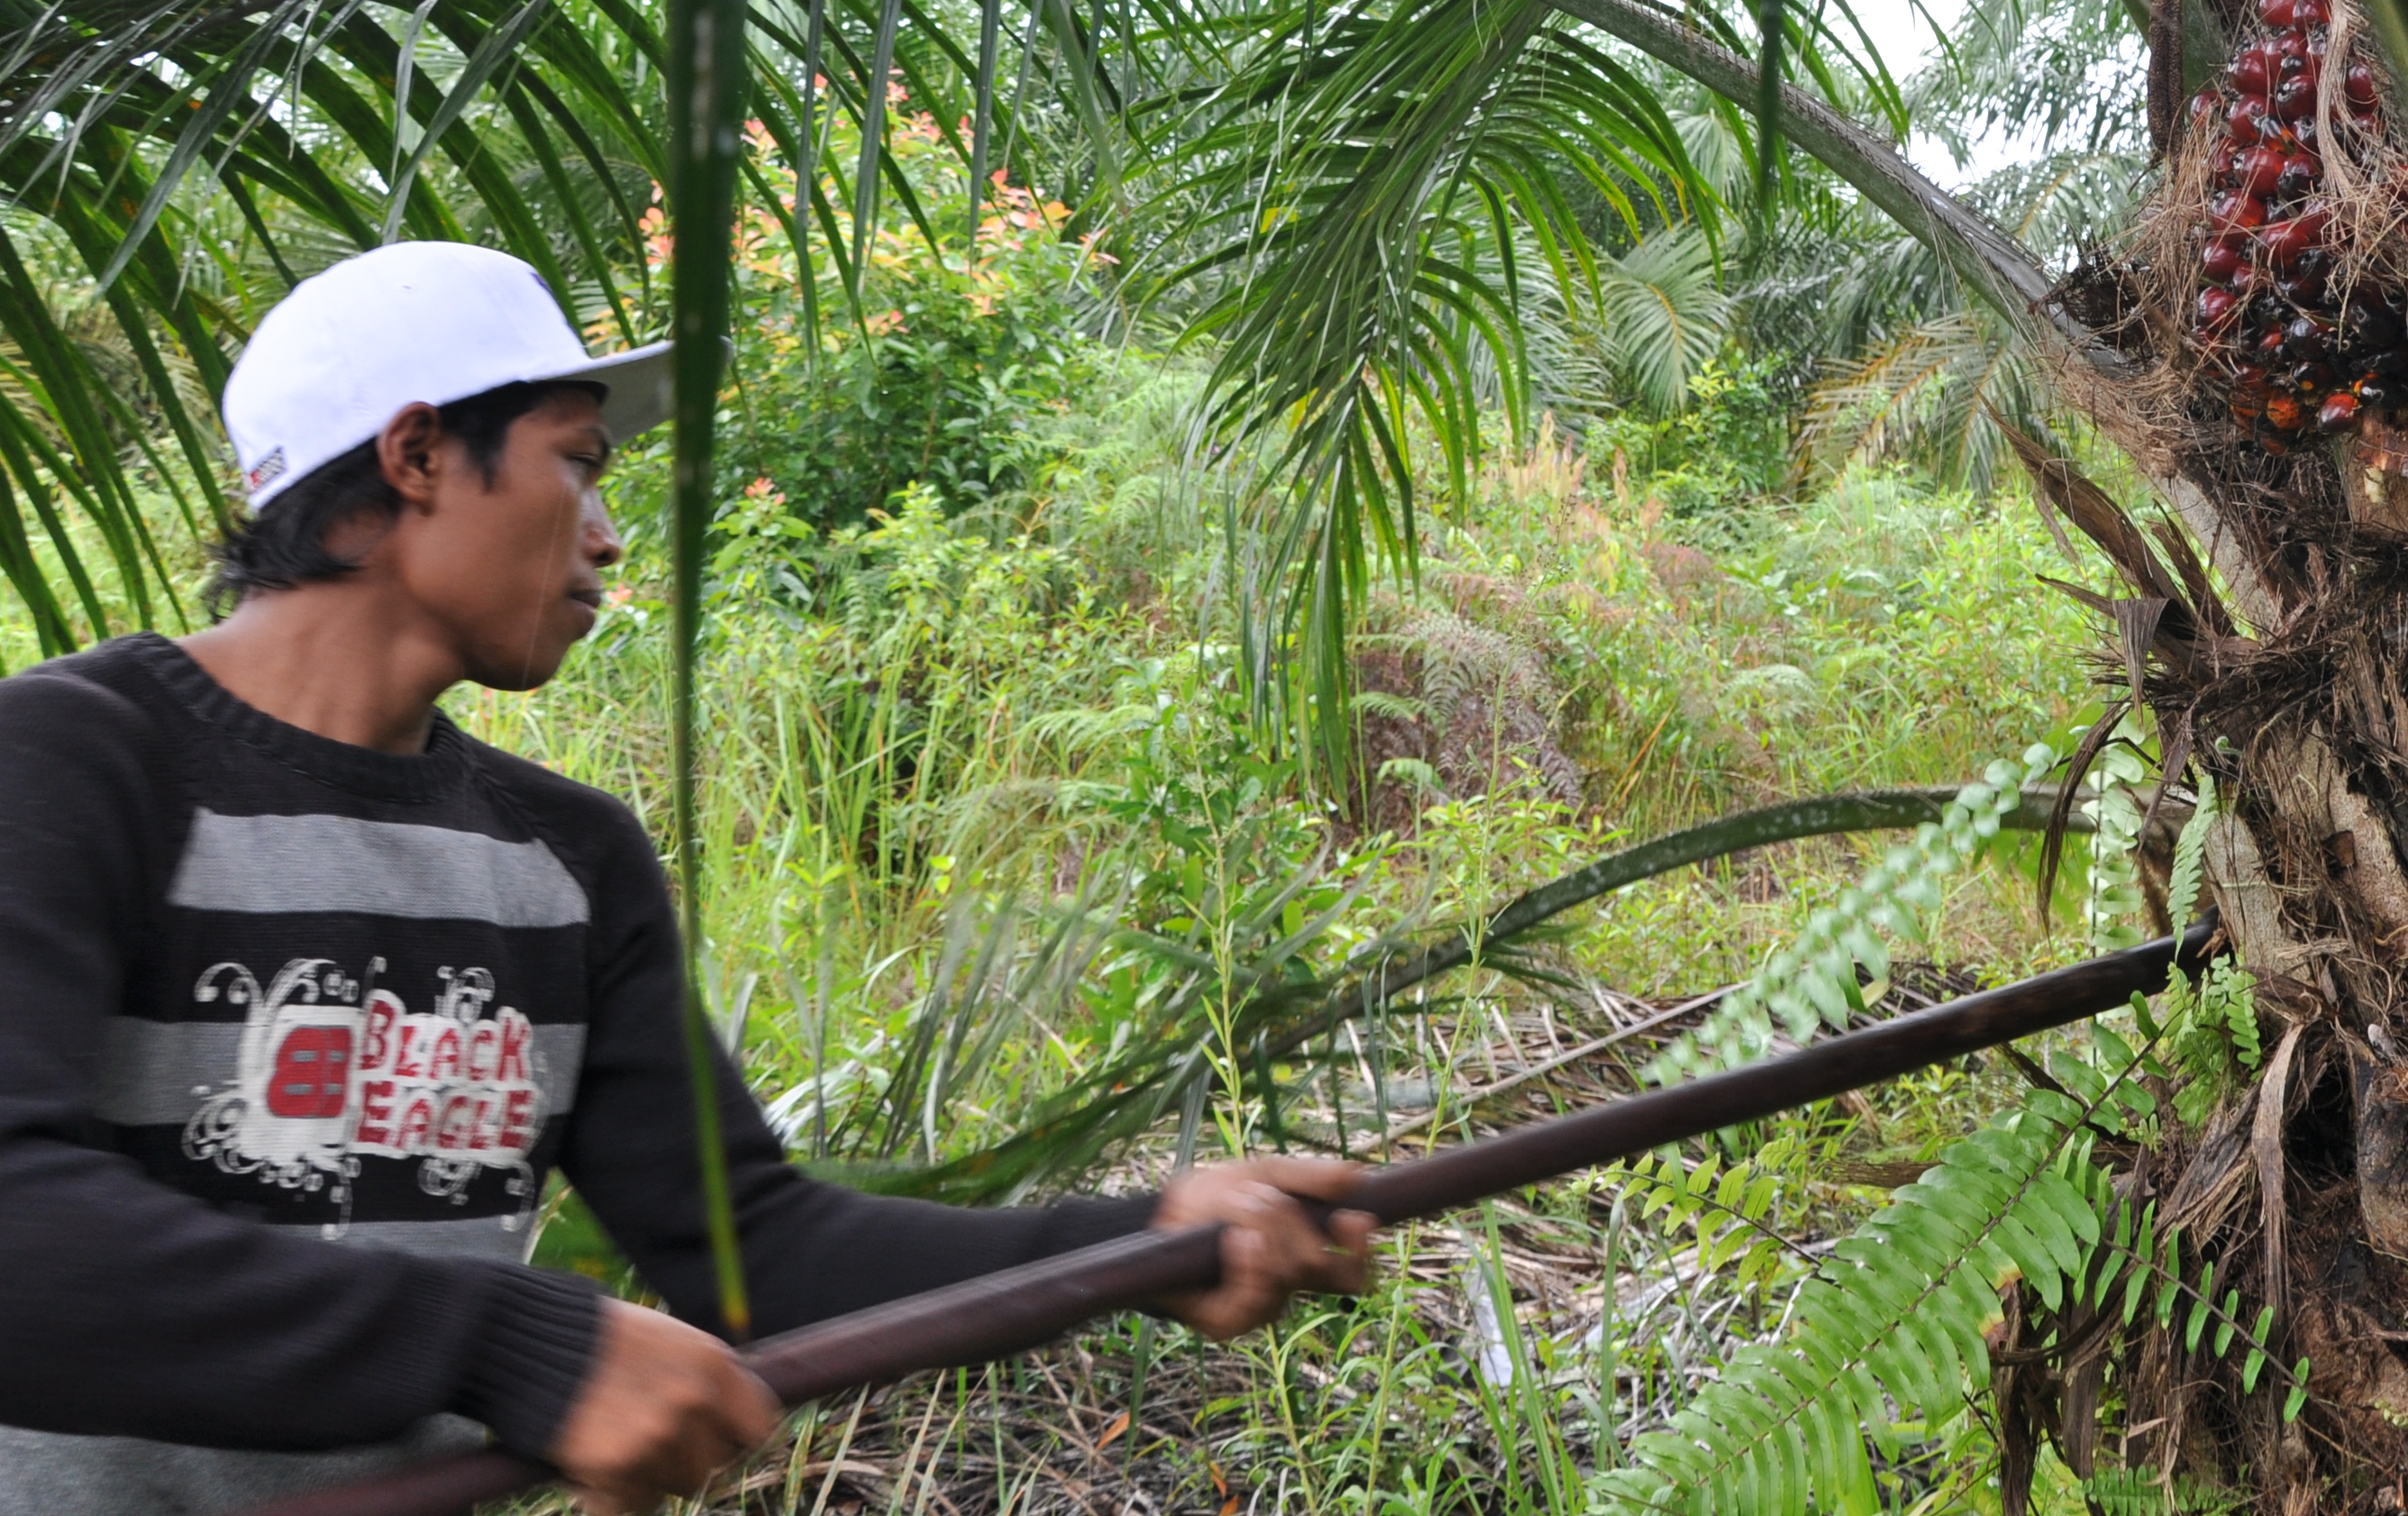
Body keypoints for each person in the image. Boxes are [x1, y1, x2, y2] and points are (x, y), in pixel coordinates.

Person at [0, 242, 1376, 1515]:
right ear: (418, 453)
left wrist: (1141, 1244)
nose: (606, 534)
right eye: (578, 464)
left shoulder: (568, 858)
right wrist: (509, 1343)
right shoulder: (76, 764)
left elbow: (755, 1252)